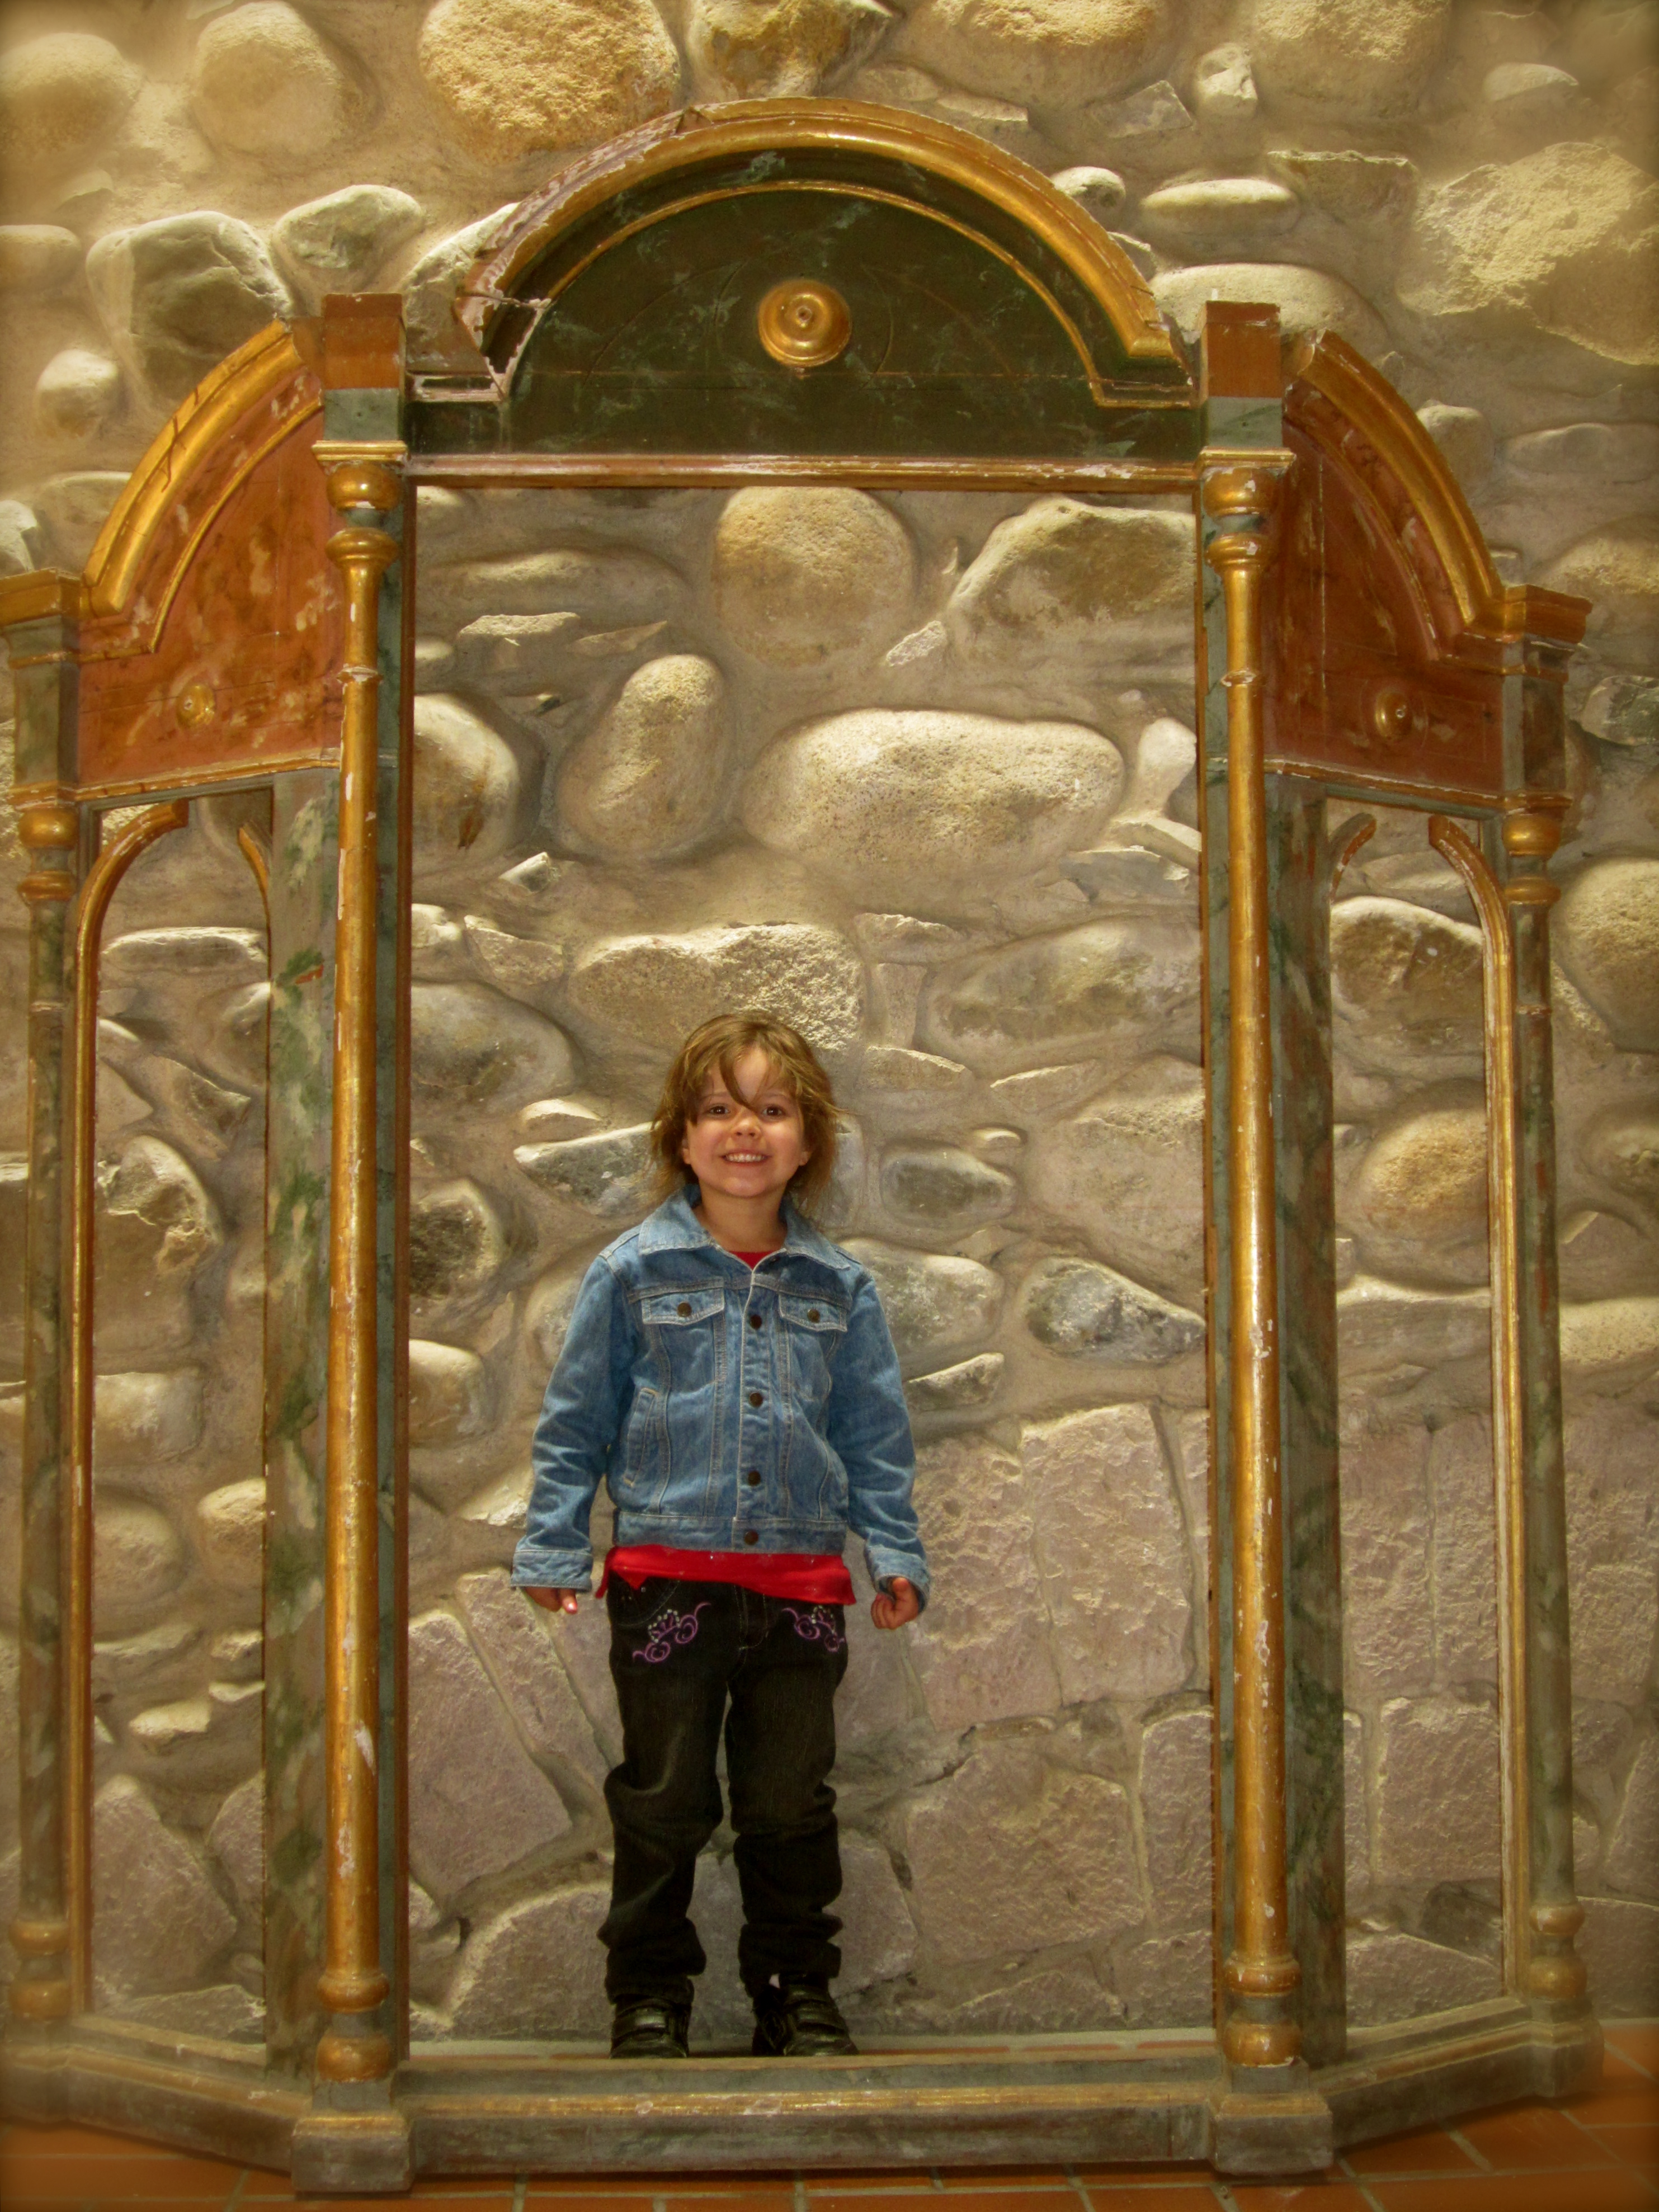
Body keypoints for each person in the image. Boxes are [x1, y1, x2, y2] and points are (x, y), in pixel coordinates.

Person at [512, 1012, 930, 2063]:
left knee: (790, 1804)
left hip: (801, 1590)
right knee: (663, 1801)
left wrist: (894, 1554)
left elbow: (874, 1438)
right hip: (665, 1584)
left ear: (809, 1138)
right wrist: (554, 1545)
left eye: (772, 1109)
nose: (745, 1129)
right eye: (717, 1109)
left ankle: (796, 1990)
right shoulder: (632, 1273)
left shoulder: (840, 1287)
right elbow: (576, 1422)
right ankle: (648, 1995)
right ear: (682, 1137)